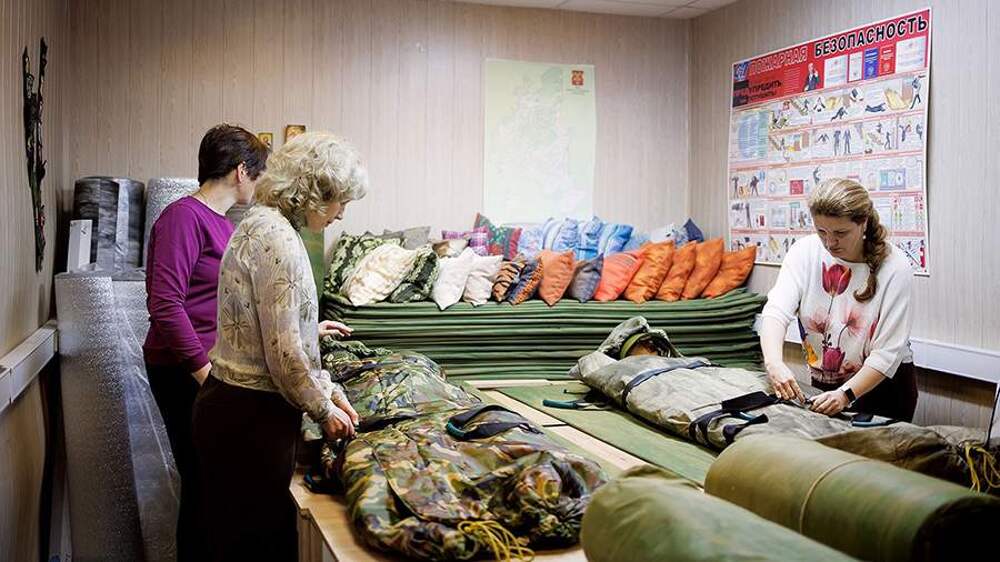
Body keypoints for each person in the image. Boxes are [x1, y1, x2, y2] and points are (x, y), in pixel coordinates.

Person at [193, 131, 368, 561]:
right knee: (256, 546)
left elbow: (284, 335)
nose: (342, 213)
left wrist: (328, 390)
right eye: (340, 201)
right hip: (248, 417)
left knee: (235, 541)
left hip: (234, 410)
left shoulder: (262, 224)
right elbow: (285, 355)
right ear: (316, 191)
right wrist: (324, 411)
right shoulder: (279, 240)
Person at [143, 124, 269, 562]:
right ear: (241, 171)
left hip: (207, 366)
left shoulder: (220, 222)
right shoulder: (183, 217)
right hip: (182, 368)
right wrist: (206, 375)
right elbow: (165, 305)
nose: (258, 184)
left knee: (214, 484)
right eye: (258, 174)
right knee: (201, 482)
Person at [759, 178, 917, 421]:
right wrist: (774, 363)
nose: (830, 243)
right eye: (821, 231)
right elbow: (776, 311)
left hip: (882, 386)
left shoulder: (895, 267)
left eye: (841, 233)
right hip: (826, 382)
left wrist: (845, 394)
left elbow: (887, 353)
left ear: (863, 223)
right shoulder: (804, 252)